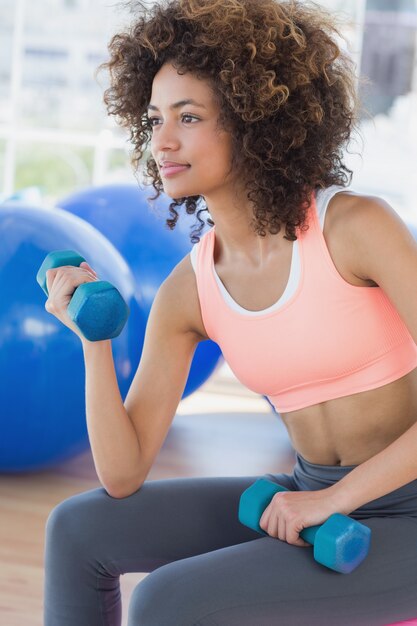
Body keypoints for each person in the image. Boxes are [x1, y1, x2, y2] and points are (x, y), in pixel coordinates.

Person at [43, 0, 417, 624]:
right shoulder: (188, 290)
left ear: (255, 122)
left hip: (406, 508)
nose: (162, 140)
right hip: (310, 494)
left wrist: (335, 501)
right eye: (156, 117)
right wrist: (94, 337)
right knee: (78, 530)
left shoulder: (356, 228)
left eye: (188, 117)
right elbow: (122, 474)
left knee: (168, 601)